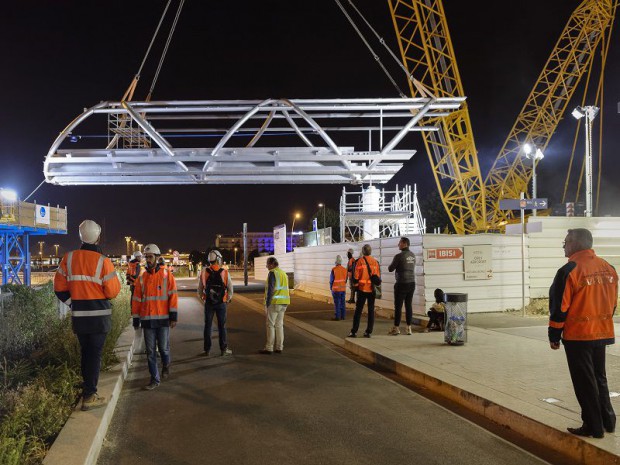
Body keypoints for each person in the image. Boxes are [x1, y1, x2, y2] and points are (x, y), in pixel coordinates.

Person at [549, 228, 618, 438]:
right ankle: (608, 421)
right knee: (600, 378)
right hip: (602, 332)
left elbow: (559, 307)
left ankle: (592, 427)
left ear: (577, 244)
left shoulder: (569, 270)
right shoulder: (608, 268)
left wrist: (554, 335)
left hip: (579, 336)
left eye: (566, 241)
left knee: (584, 383)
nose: (564, 244)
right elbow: (613, 303)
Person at [54, 220, 121, 411]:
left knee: (86, 353)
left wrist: (73, 304)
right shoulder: (103, 261)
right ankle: (90, 395)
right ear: (98, 237)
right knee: (95, 354)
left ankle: (87, 389)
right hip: (99, 319)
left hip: (80, 319)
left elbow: (59, 289)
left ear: (80, 236)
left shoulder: (68, 258)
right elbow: (113, 292)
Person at [132, 243, 178, 390]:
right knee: (151, 352)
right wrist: (136, 318)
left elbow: (173, 296)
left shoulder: (167, 276)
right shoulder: (141, 278)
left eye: (150, 257)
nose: (148, 260)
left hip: (163, 319)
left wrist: (173, 316)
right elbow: (137, 299)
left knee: (163, 349)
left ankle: (166, 364)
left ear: (158, 258)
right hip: (147, 320)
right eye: (146, 257)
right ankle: (154, 379)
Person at [198, 250, 233, 356]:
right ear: (218, 259)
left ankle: (206, 350)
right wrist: (227, 299)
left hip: (209, 303)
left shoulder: (204, 272)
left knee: (207, 326)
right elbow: (230, 289)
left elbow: (199, 290)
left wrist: (204, 299)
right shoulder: (225, 272)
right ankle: (223, 349)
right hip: (221, 303)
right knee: (222, 326)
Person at [348, 244, 381, 338]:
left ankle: (354, 332)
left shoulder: (360, 261)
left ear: (363, 251)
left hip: (362, 290)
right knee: (371, 311)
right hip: (372, 290)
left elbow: (356, 277)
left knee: (358, 311)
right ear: (370, 251)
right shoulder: (375, 262)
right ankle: (368, 332)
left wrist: (355, 287)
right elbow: (377, 277)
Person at [259, 257, 290, 354]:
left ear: (272, 264)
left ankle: (269, 347)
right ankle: (279, 347)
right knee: (279, 325)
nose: (266, 266)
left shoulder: (273, 273)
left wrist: (267, 303)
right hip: (284, 302)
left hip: (274, 303)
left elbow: (271, 289)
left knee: (270, 325)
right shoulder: (283, 273)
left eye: (267, 264)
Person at [387, 236, 416, 335]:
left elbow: (390, 268)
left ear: (404, 244)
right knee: (408, 305)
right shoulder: (413, 255)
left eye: (400, 242)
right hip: (411, 283)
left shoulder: (399, 256)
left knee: (398, 306)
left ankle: (396, 328)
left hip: (401, 283)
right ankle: (409, 328)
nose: (398, 244)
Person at [329, 255, 347, 321]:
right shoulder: (344, 269)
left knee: (337, 303)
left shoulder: (334, 269)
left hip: (336, 289)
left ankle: (337, 317)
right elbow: (345, 279)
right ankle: (343, 316)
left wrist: (331, 288)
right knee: (343, 303)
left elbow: (331, 280)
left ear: (335, 261)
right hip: (343, 289)